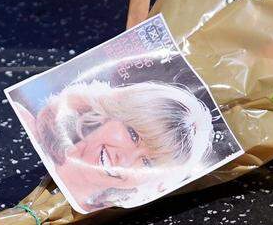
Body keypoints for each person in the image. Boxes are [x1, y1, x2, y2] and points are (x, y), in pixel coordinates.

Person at [14, 80, 215, 212]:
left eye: (147, 163)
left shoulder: (94, 224)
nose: (125, 161)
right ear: (109, 113)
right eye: (133, 135)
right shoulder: (20, 122)